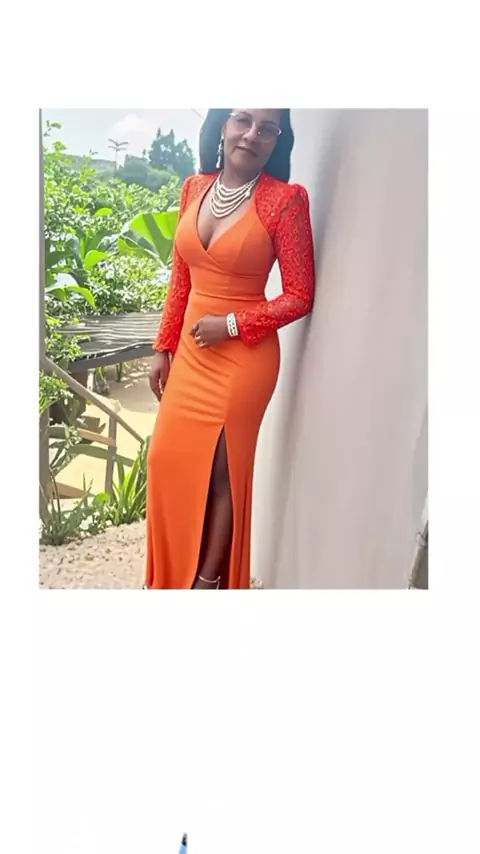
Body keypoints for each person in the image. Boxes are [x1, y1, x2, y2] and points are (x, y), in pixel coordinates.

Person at [145, 108, 315, 590]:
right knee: (164, 460)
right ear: (222, 126)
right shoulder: (195, 188)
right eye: (243, 120)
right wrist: (163, 345)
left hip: (244, 358)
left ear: (277, 140)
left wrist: (234, 324)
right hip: (191, 355)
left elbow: (300, 295)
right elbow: (182, 277)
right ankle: (168, 578)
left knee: (222, 475)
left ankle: (206, 583)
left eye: (268, 128)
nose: (252, 134)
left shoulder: (285, 201)